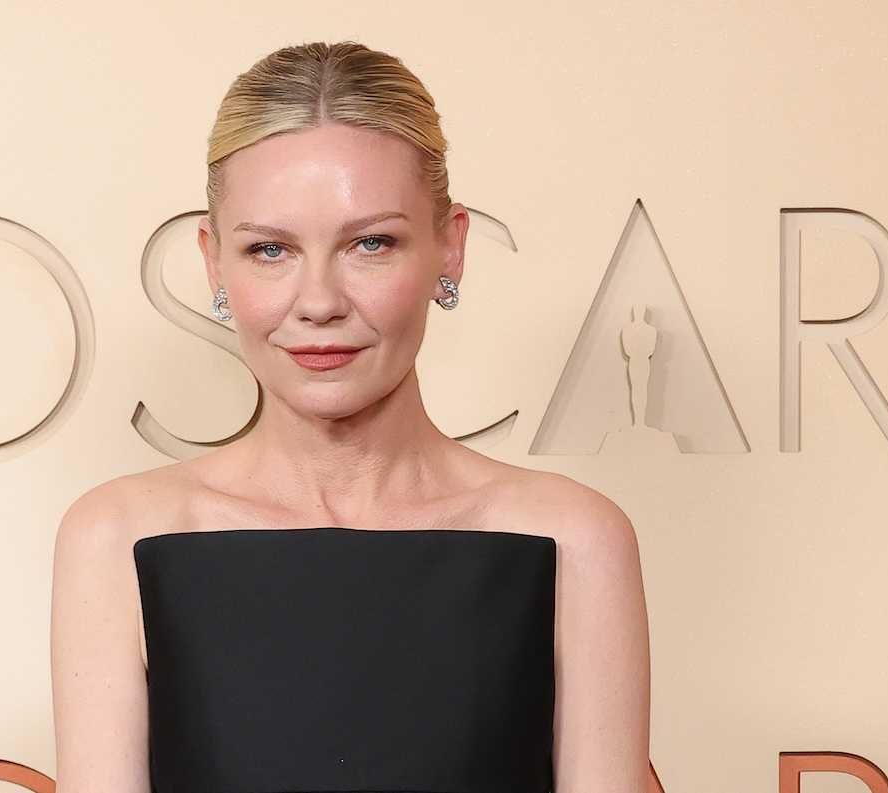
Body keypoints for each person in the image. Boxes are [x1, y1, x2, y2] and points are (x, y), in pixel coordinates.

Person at [51, 40, 651, 793]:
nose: (319, 302)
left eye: (372, 243)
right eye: (270, 250)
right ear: (213, 261)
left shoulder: (576, 538)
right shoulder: (116, 536)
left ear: (450, 248)